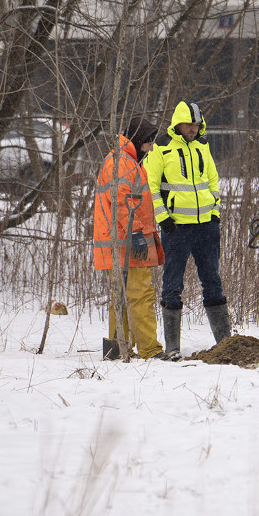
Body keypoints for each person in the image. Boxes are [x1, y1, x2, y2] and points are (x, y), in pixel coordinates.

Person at [146, 100, 230, 359]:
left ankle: (226, 344)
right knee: (172, 285)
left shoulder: (203, 146)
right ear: (178, 123)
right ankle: (172, 348)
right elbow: (152, 186)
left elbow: (213, 180)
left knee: (213, 282)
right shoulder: (161, 147)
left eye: (196, 125)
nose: (193, 129)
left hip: (206, 227)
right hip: (176, 229)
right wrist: (163, 219)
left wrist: (215, 214)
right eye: (189, 124)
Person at [93, 118, 164, 360]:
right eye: (148, 142)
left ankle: (118, 347)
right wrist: (135, 233)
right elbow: (121, 201)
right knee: (141, 295)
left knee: (121, 296)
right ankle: (149, 349)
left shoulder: (126, 160)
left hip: (120, 242)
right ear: (137, 140)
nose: (151, 148)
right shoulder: (124, 163)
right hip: (128, 243)